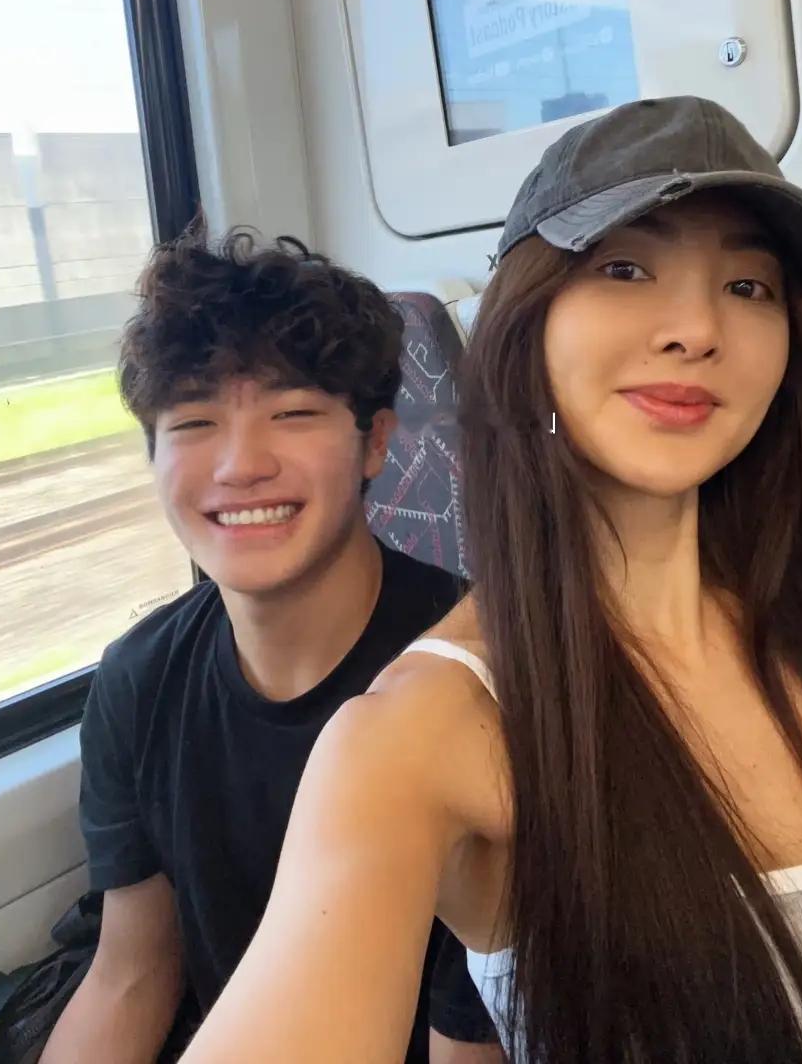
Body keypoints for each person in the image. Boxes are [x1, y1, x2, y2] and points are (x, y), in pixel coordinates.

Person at [178, 99, 802, 1063]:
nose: (697, 328)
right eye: (624, 269)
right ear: (527, 328)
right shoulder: (418, 737)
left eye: (748, 286)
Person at [41, 230, 501, 1063]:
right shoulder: (138, 678)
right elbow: (132, 974)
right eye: (194, 422)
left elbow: (471, 1040)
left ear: (374, 442)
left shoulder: (476, 683)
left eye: (293, 414)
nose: (240, 465)